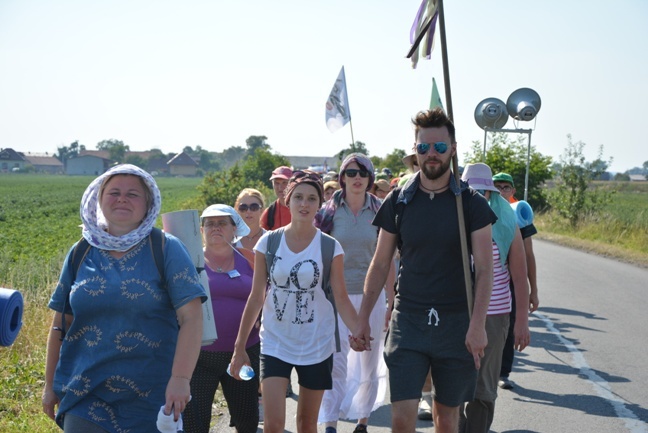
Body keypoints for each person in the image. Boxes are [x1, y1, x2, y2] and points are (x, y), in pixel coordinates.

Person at [350, 108, 497, 433]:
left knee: (447, 420)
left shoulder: (472, 204)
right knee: (402, 419)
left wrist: (477, 326)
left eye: (440, 147)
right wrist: (362, 318)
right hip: (409, 323)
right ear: (415, 150)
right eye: (424, 147)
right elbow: (380, 263)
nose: (432, 154)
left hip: (456, 323)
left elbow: (485, 270)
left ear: (453, 149)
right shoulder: (399, 201)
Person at [42, 164, 206, 432]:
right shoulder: (81, 251)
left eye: (133, 194)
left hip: (152, 395)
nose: (122, 199)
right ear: (100, 198)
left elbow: (191, 318)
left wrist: (180, 379)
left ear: (148, 204)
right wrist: (49, 385)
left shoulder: (165, 248)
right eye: (114, 192)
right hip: (84, 394)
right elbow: (60, 324)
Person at [230, 170, 359, 433]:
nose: (304, 204)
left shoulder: (330, 247)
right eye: (298, 197)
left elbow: (342, 298)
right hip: (275, 341)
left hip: (317, 343)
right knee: (274, 425)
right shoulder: (269, 242)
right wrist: (239, 346)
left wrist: (360, 330)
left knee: (306, 424)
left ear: (320, 203)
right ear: (287, 200)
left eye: (311, 198)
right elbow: (256, 297)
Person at [315, 154, 392, 433]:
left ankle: (362, 421)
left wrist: (391, 299)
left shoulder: (382, 210)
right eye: (350, 172)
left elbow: (388, 258)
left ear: (370, 177)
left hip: (373, 297)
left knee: (369, 361)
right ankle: (331, 423)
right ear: (342, 178)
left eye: (362, 172)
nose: (356, 177)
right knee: (336, 361)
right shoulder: (328, 211)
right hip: (336, 297)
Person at [459, 163, 531, 433]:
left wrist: (521, 321)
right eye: (472, 191)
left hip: (494, 315)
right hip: (455, 312)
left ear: (492, 193)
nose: (478, 197)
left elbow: (519, 276)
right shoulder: (452, 218)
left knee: (484, 387)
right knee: (451, 385)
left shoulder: (508, 223)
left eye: (484, 191)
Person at [183, 204, 258, 433]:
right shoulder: (187, 261)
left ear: (234, 228)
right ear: (201, 230)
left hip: (244, 352)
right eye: (210, 223)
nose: (216, 228)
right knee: (194, 422)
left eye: (222, 223)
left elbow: (266, 294)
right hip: (199, 357)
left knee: (247, 420)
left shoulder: (250, 259)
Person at [492, 172, 540, 389]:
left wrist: (533, 290)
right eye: (497, 187)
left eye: (506, 187)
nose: (502, 191)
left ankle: (503, 372)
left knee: (509, 325)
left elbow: (528, 255)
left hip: (511, 281)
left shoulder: (520, 215)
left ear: (513, 191)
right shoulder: (484, 209)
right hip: (488, 278)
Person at [260, 166, 293, 230]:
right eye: (276, 183)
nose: (280, 187)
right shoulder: (269, 213)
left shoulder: (302, 208)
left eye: (284, 183)